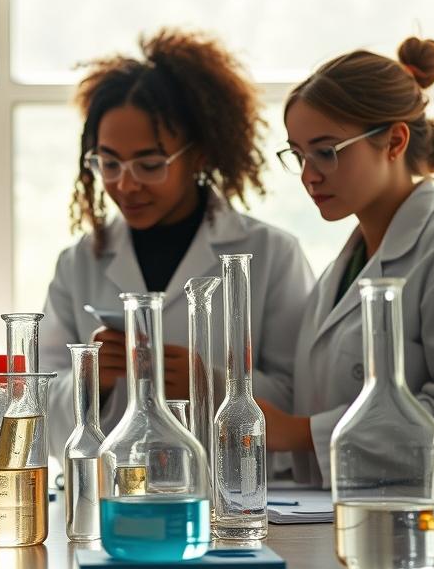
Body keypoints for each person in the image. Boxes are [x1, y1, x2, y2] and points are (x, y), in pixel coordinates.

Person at [39, 29, 314, 454]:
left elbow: (301, 399)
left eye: (149, 164)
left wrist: (212, 383)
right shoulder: (79, 264)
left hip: (235, 501)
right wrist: (90, 378)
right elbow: (38, 413)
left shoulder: (272, 254)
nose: (125, 185)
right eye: (108, 163)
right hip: (115, 496)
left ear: (200, 153)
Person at [264, 37, 434, 488]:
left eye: (326, 151)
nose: (309, 174)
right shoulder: (341, 273)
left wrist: (303, 434)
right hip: (363, 522)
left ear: (395, 141)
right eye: (299, 155)